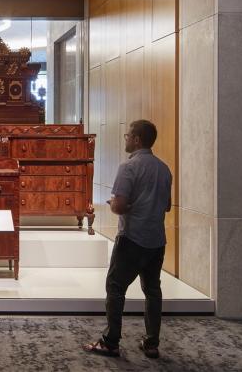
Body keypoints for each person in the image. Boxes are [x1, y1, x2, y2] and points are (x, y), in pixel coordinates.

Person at [84, 119, 172, 360]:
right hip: (157, 239)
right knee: (152, 290)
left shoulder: (129, 167)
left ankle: (111, 342)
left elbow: (119, 206)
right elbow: (166, 205)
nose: (125, 139)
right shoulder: (164, 169)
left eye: (128, 135)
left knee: (115, 287)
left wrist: (114, 203)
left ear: (137, 139)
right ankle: (152, 343)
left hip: (132, 238)